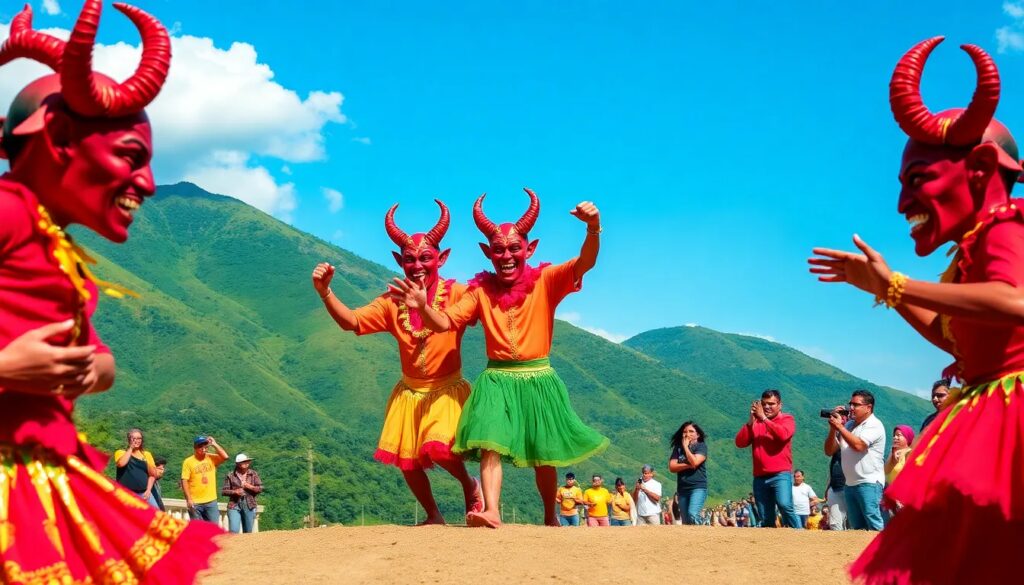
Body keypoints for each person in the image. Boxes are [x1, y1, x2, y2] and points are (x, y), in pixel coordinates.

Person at [0, 3, 220, 581]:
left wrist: (94, 366)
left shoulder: (60, 251)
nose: (146, 183)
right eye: (130, 157)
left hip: (47, 473)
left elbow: (93, 357)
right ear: (63, 136)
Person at [811, 37, 1024, 583]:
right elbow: (958, 341)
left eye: (918, 181)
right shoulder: (968, 254)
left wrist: (900, 284)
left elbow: (1015, 302)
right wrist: (882, 291)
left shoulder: (1006, 226)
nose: (905, 203)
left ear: (978, 167)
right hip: (984, 408)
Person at [392, 189, 608, 528]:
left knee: (544, 453)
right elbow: (447, 322)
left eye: (513, 248)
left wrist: (593, 227)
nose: (506, 255)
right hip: (496, 378)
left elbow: (586, 262)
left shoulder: (547, 280)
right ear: (487, 253)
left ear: (529, 249)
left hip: (539, 376)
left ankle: (550, 517)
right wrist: (422, 307)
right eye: (498, 250)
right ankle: (491, 509)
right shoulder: (479, 291)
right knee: (489, 441)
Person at [311, 200, 481, 524]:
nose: (417, 265)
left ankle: (470, 485)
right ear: (399, 261)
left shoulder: (458, 293)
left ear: (441, 259)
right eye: (410, 259)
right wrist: (325, 292)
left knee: (436, 445)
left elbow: (477, 311)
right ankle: (433, 515)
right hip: (410, 391)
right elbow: (352, 321)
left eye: (425, 258)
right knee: (408, 460)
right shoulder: (392, 302)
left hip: (447, 389)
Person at [734, 389, 799, 528]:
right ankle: (770, 545)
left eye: (771, 404)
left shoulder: (787, 419)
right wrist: (750, 422)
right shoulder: (756, 423)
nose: (767, 407)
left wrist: (763, 418)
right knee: (765, 516)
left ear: (780, 405)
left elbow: (783, 435)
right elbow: (740, 443)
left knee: (785, 505)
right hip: (760, 477)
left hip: (780, 473)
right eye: (764, 404)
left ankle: (799, 533)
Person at [824, 390, 886, 530]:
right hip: (849, 484)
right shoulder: (849, 426)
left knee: (873, 524)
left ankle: (882, 552)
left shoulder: (874, 424)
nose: (851, 408)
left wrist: (840, 426)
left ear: (868, 407)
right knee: (857, 529)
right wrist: (833, 429)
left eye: (856, 405)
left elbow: (859, 445)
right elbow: (829, 451)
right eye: (850, 404)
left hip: (869, 483)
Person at [668, 420, 708, 525]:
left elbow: (695, 461)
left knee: (693, 514)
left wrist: (686, 447)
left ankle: (705, 528)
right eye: (685, 432)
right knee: (686, 521)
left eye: (691, 431)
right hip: (682, 489)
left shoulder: (701, 446)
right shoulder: (677, 449)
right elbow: (672, 467)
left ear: (697, 434)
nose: (687, 434)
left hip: (697, 487)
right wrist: (688, 465)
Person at [182, 435, 229, 523]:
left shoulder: (211, 458)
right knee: (199, 529)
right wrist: (189, 499)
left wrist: (214, 444)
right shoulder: (188, 462)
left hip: (211, 500)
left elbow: (225, 457)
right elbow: (184, 480)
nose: (203, 448)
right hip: (195, 502)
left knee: (214, 527)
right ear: (195, 448)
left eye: (205, 445)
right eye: (200, 446)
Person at [113, 427, 159, 508]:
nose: (137, 441)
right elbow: (121, 463)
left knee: (156, 514)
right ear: (129, 439)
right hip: (126, 493)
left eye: (139, 438)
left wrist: (148, 490)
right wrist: (131, 448)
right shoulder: (121, 452)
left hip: (144, 493)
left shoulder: (146, 454)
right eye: (134, 438)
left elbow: (153, 475)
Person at [222, 453, 263, 534]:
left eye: (248, 461)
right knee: (233, 530)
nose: (247, 463)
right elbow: (224, 491)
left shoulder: (253, 474)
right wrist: (235, 492)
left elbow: (260, 489)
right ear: (238, 464)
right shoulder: (230, 475)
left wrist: (249, 486)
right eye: (244, 461)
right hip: (234, 505)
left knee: (248, 531)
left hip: (249, 504)